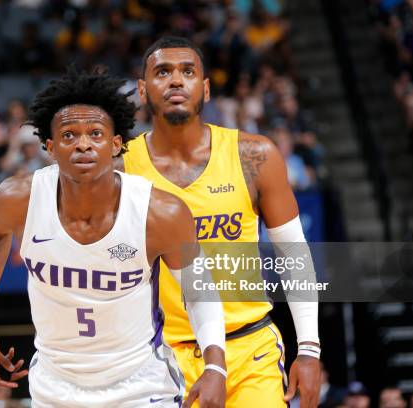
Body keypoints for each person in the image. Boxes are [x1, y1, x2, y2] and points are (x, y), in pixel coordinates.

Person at [0, 68, 227, 407]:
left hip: (139, 384)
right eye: (69, 135)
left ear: (116, 143)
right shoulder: (18, 198)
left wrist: (215, 367)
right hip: (54, 384)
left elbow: (200, 293)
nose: (83, 144)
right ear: (49, 146)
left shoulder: (160, 213)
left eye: (95, 133)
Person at [121, 36, 321, 407]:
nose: (176, 81)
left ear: (206, 89)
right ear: (143, 90)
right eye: (163, 72)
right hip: (164, 356)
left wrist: (308, 348)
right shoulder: (121, 166)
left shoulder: (254, 155)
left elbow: (295, 256)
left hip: (251, 350)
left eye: (188, 72)